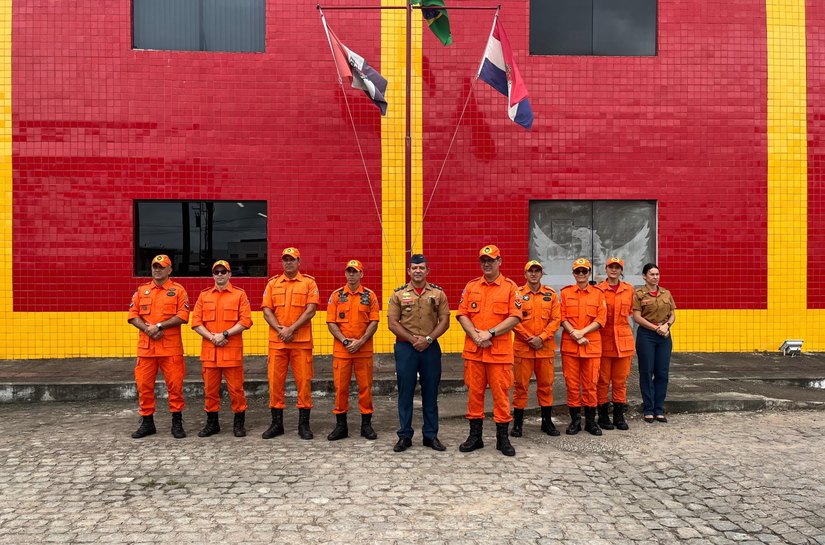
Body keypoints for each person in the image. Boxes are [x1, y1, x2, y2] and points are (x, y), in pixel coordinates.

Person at [456, 245, 522, 457]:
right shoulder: (472, 286)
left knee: (501, 396)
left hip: (498, 354)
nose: (487, 264)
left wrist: (490, 333)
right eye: (483, 260)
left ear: (499, 261)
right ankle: (475, 437)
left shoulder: (510, 287)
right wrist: (476, 336)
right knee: (474, 395)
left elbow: (515, 317)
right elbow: (462, 314)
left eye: (491, 260)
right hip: (475, 352)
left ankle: (502, 439)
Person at [387, 254, 451, 452]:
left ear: (427, 271)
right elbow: (392, 323)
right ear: (409, 271)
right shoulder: (398, 294)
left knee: (430, 392)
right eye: (414, 268)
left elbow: (445, 320)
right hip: (406, 348)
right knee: (405, 392)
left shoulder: (438, 293)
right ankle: (404, 436)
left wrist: (428, 339)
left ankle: (430, 435)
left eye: (421, 268)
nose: (418, 271)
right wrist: (412, 339)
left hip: (430, 347)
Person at [127, 254, 190, 439]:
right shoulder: (142, 290)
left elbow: (183, 316)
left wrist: (160, 326)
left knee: (175, 386)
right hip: (146, 348)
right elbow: (132, 315)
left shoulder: (178, 290)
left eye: (161, 267)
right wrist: (148, 329)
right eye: (155, 266)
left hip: (170, 348)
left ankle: (177, 423)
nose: (157, 270)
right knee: (144, 386)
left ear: (170, 270)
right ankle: (147, 423)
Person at [261, 247, 319, 440]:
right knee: (275, 383)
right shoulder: (273, 284)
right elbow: (267, 310)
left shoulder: (309, 283)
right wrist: (281, 330)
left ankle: (304, 425)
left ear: (299, 262)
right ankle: (277, 424)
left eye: (292, 259)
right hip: (277, 342)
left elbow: (311, 310)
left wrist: (291, 329)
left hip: (300, 342)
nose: (288, 262)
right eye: (285, 259)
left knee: (304, 383)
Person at [191, 260, 253, 438]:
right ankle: (212, 424)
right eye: (216, 272)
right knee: (210, 390)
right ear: (212, 275)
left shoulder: (239, 295)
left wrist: (224, 334)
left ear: (229, 274)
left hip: (231, 351)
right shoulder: (204, 296)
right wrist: (213, 337)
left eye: (223, 271)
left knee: (236, 390)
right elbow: (196, 322)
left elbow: (245, 321)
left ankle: (239, 424)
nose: (219, 274)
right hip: (210, 352)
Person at [325, 259, 380, 441]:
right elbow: (331, 322)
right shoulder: (336, 295)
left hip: (363, 350)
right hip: (343, 351)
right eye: (349, 271)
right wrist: (345, 341)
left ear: (361, 274)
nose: (351, 274)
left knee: (365, 388)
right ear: (345, 273)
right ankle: (341, 426)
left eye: (355, 271)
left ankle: (366, 425)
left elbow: (374, 322)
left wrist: (361, 341)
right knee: (341, 388)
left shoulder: (370, 296)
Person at [511, 260, 561, 437]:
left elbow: (556, 319)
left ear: (541, 274)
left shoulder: (551, 295)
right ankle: (517, 424)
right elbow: (513, 319)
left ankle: (547, 422)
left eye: (537, 271)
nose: (533, 274)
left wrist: (541, 338)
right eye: (530, 271)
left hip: (544, 348)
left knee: (546, 386)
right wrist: (529, 338)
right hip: (523, 349)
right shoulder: (517, 294)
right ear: (525, 274)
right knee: (520, 386)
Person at [559, 258, 607, 436]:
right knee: (572, 384)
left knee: (591, 384)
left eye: (584, 271)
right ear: (573, 273)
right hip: (570, 345)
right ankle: (575, 421)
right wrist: (574, 333)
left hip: (591, 345)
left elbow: (601, 318)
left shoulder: (598, 294)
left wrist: (582, 332)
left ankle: (591, 422)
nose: (581, 274)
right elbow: (561, 317)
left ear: (589, 273)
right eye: (577, 271)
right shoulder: (565, 293)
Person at [632, 263, 677, 423]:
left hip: (664, 335)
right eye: (652, 274)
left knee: (662, 372)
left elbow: (672, 314)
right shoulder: (639, 294)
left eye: (657, 274)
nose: (655, 277)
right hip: (647, 335)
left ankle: (659, 409)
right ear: (644, 276)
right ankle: (648, 409)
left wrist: (667, 326)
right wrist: (655, 328)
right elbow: (637, 317)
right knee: (646, 371)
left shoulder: (666, 293)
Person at [595, 257, 635, 431]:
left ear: (621, 271)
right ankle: (603, 416)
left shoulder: (629, 289)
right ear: (606, 269)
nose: (614, 270)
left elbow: (632, 311)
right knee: (602, 380)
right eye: (611, 267)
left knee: (620, 381)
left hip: (624, 341)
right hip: (604, 340)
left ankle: (619, 416)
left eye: (617, 267)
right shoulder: (598, 290)